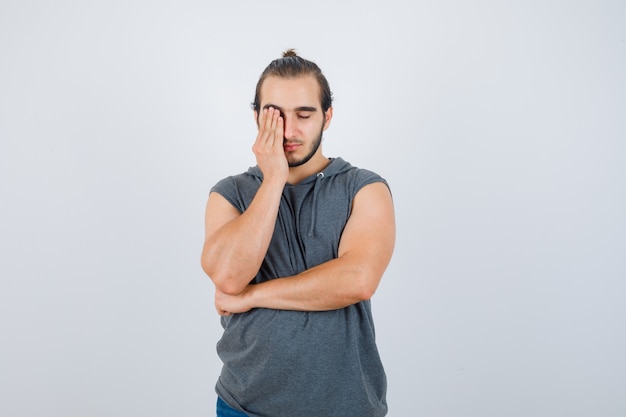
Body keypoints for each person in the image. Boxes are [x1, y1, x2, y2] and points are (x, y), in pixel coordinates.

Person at [201, 49, 396, 417]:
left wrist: (252, 295)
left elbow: (357, 280)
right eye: (274, 116)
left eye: (304, 115)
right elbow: (228, 276)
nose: (288, 131)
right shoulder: (229, 193)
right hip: (244, 406)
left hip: (348, 407)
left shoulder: (365, 188)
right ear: (257, 117)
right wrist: (273, 178)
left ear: (328, 116)